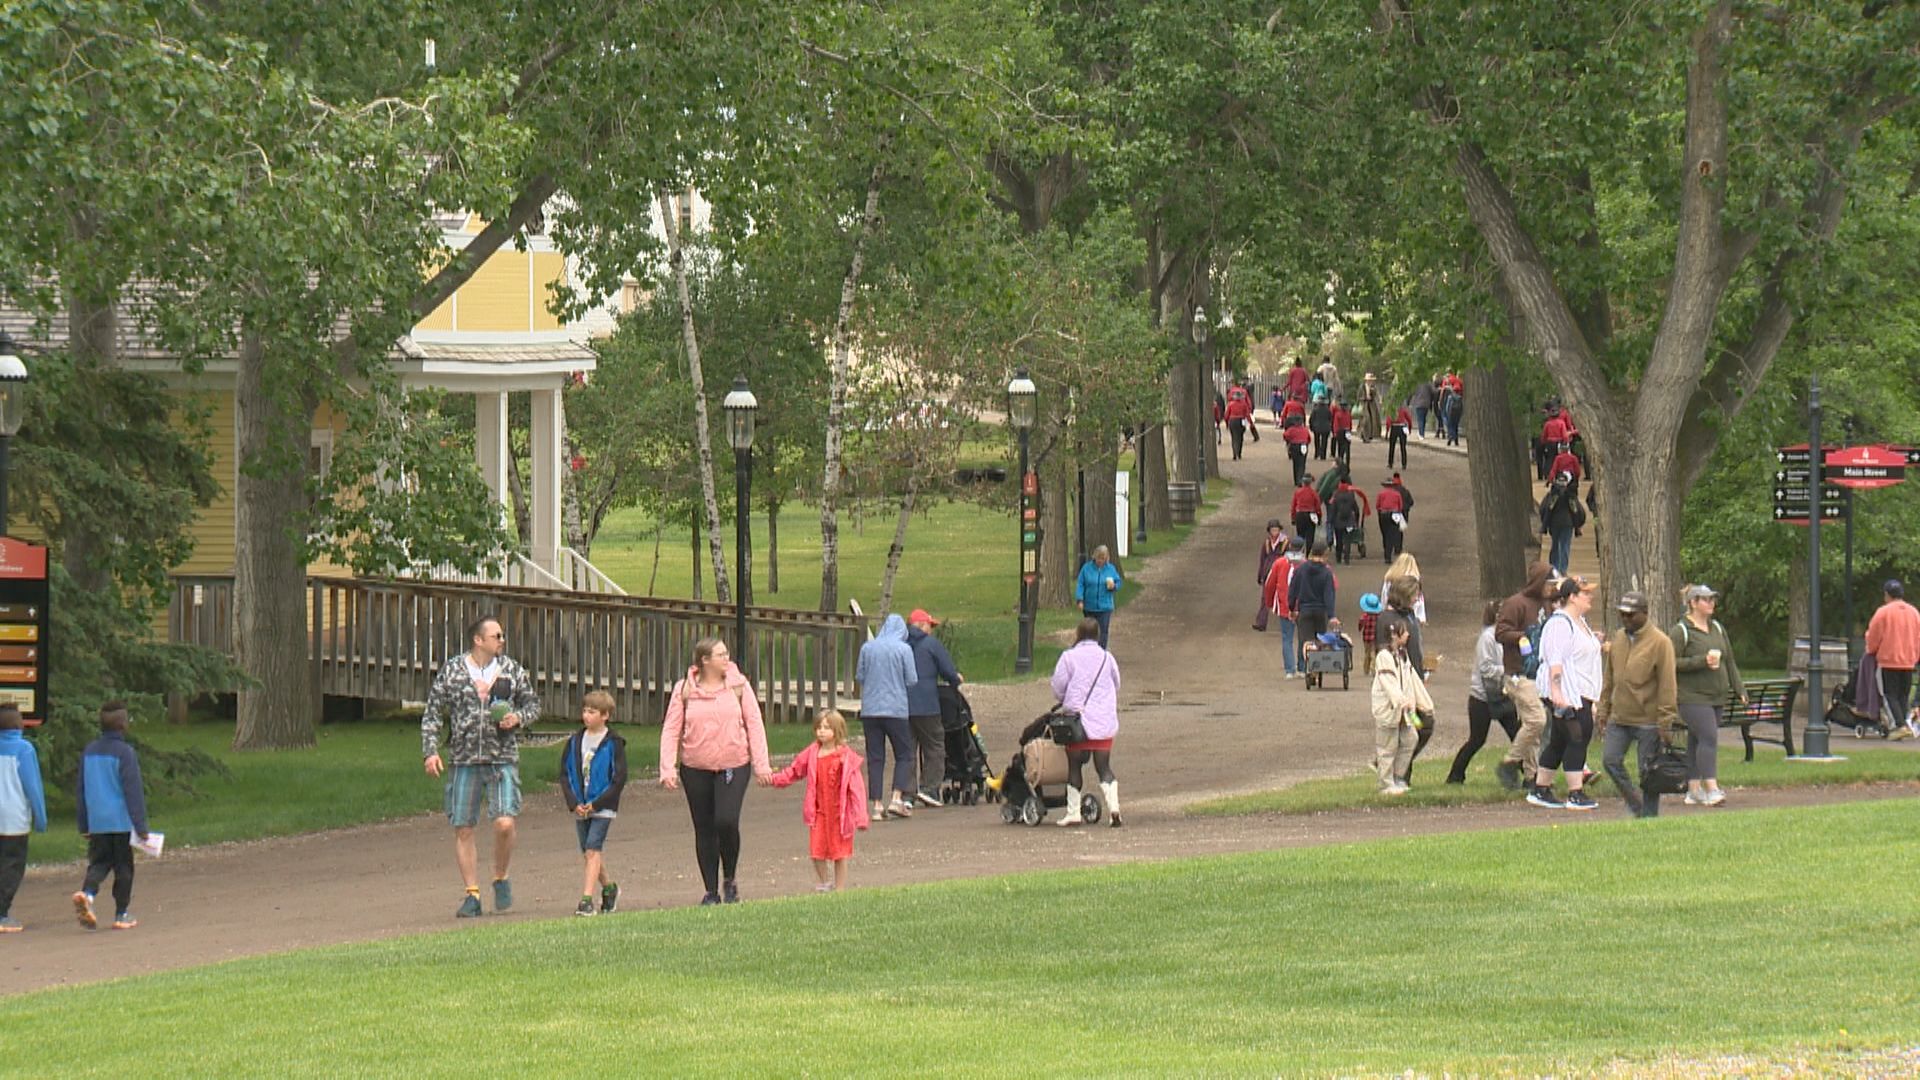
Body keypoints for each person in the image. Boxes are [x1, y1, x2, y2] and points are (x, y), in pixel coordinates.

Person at [421, 614, 541, 918]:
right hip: (463, 760)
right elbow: (433, 712)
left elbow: (533, 705)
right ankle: (472, 895)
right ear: (478, 640)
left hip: (501, 758)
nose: (502, 641)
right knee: (463, 827)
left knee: (504, 823)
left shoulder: (511, 670)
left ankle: (500, 876)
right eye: (496, 636)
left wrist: (518, 718)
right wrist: (430, 751)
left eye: (501, 636)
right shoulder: (453, 671)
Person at [662, 637, 773, 904]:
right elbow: (671, 729)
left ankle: (730, 879)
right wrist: (668, 767)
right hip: (695, 766)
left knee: (726, 820)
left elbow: (754, 724)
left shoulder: (738, 685)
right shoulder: (684, 689)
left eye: (727, 653)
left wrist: (761, 764)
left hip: (733, 764)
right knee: (704, 828)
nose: (727, 658)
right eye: (720, 654)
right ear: (705, 660)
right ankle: (711, 891)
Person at [1596, 591, 1679, 819]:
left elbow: (1667, 685)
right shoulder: (1619, 638)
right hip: (1620, 716)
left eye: (1631, 615)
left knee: (1648, 773)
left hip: (1648, 720)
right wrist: (1604, 708)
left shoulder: (1661, 643)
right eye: (1622, 614)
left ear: (1644, 614)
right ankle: (1636, 804)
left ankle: (1650, 817)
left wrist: (1665, 721)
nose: (1626, 619)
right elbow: (1609, 677)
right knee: (1610, 761)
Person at [769, 710, 870, 892]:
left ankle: (839, 888)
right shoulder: (812, 752)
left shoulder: (846, 758)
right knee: (816, 851)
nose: (822, 731)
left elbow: (857, 790)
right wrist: (775, 779)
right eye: (819, 728)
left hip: (839, 813)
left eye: (827, 728)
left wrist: (861, 816)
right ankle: (825, 882)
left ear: (837, 730)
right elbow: (795, 770)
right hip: (818, 812)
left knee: (840, 853)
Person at [72, 701, 148, 930]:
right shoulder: (125, 753)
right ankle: (121, 913)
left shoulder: (89, 751)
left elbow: (82, 789)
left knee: (99, 863)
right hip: (121, 822)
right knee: (124, 867)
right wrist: (141, 826)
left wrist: (84, 823)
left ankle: (88, 894)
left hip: (97, 822)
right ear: (123, 725)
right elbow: (132, 792)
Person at [1528, 576, 1603, 810]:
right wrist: (1557, 692)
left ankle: (1541, 789)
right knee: (1577, 736)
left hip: (1583, 691)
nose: (1590, 597)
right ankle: (1575, 792)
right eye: (1585, 593)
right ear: (1572, 597)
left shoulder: (1580, 621)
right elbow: (1555, 659)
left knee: (1559, 741)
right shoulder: (1560, 623)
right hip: (1568, 691)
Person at [1672, 584, 1744, 806]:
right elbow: (1671, 663)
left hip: (1716, 695)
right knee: (1709, 737)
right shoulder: (1681, 631)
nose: (1711, 603)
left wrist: (1739, 688)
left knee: (1696, 740)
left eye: (1712, 599)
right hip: (1692, 696)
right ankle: (1711, 787)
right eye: (1705, 599)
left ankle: (1693, 789)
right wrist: (1701, 661)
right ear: (1693, 603)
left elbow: (1729, 660)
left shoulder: (1717, 629)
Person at [1050, 617, 1124, 827]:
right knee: (1104, 767)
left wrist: (1067, 699)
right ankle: (1114, 808)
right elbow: (1116, 682)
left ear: (1078, 635)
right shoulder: (1107, 658)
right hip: (1103, 722)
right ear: (1097, 635)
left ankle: (1073, 812)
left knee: (1074, 765)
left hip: (1078, 723)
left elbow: (1058, 686)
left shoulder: (1069, 658)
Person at [559, 690, 628, 917]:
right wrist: (574, 802)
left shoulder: (613, 743)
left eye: (592, 712)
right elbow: (565, 773)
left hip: (603, 807)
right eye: (585, 711)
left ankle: (586, 900)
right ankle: (609, 888)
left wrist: (598, 803)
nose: (586, 716)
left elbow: (618, 778)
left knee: (592, 849)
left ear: (605, 715)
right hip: (581, 804)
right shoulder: (575, 741)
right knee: (589, 853)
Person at [1493, 562, 1556, 791]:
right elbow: (1500, 632)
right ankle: (1509, 762)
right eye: (1548, 583)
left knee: (1533, 727)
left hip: (1538, 673)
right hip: (1518, 674)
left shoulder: (1547, 605)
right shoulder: (1515, 603)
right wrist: (1525, 636)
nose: (1551, 588)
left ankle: (1532, 776)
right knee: (1538, 720)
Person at [853, 615, 918, 821]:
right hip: (895, 709)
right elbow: (912, 679)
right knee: (904, 753)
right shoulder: (903, 649)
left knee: (875, 757)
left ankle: (876, 805)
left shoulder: (867, 648)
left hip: (870, 709)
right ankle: (896, 797)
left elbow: (860, 676)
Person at [1448, 601, 1521, 783]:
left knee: (1518, 734)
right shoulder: (1488, 638)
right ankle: (1455, 775)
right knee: (1477, 739)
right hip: (1482, 697)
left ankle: (1530, 773)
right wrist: (1508, 670)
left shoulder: (1506, 637)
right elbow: (1486, 668)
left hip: (1502, 693)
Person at [905, 608, 962, 808]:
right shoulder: (931, 645)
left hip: (903, 705)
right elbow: (947, 670)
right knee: (935, 745)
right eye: (930, 625)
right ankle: (930, 788)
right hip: (927, 704)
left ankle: (907, 793)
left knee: (908, 750)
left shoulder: (900, 644)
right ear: (921, 625)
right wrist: (956, 679)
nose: (932, 630)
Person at [1370, 620, 1433, 795]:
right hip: (1389, 709)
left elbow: (1412, 680)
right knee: (1387, 747)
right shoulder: (1384, 656)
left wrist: (1424, 703)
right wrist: (1400, 700)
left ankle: (1398, 777)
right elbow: (1388, 682)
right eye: (1404, 632)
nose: (1408, 635)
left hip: (1404, 711)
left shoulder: (1402, 655)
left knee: (1411, 738)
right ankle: (1385, 783)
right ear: (1394, 634)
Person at [0, 704, 48, 932]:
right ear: (18, 724)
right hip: (14, 819)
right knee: (12, 867)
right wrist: (40, 817)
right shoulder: (24, 749)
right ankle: (2, 913)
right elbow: (33, 787)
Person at [1865, 579, 1920, 729]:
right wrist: (1915, 655)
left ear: (1887, 595)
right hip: (1909, 661)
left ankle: (1900, 725)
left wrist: (1871, 649)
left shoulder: (1883, 612)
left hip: (1889, 660)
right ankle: (1904, 725)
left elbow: (1873, 636)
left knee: (1890, 695)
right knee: (1903, 695)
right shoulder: (1914, 612)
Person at [1288, 542, 1337, 675]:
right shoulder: (1327, 573)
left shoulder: (1300, 570)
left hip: (1305, 610)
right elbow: (1329, 595)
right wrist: (1332, 615)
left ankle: (1308, 668)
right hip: (1321, 612)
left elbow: (1293, 590)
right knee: (1320, 641)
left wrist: (1292, 608)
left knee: (1306, 641)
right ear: (1324, 554)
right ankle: (1317, 667)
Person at [1264, 539, 1306, 679]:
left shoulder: (1279, 563)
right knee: (1303, 638)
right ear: (1303, 548)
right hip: (1303, 606)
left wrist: (1269, 602)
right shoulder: (1306, 564)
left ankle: (1289, 670)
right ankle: (1302, 667)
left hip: (1284, 605)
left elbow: (1269, 584)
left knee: (1287, 638)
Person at [1074, 546, 1123, 649]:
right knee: (1089, 630)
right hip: (1089, 606)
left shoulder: (1110, 569)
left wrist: (1114, 586)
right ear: (1094, 557)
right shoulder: (1086, 568)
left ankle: (1101, 651)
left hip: (1105, 607)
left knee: (1103, 631)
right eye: (1099, 558)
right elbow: (1080, 584)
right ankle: (1088, 650)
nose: (1100, 561)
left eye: (1103, 559)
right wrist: (1080, 599)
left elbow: (1118, 582)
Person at [1539, 472, 1581, 577]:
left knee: (1556, 545)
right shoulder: (1570, 495)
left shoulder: (1553, 494)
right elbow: (1575, 510)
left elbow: (1547, 508)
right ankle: (1562, 569)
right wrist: (1577, 525)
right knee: (1564, 546)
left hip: (1555, 524)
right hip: (1567, 524)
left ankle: (1554, 568)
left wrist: (1545, 524)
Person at [1253, 520, 1289, 632]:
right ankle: (1261, 623)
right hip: (1268, 572)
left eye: (1276, 530)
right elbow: (1262, 559)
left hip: (1281, 573)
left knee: (1284, 597)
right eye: (1272, 530)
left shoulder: (1285, 543)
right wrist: (1260, 574)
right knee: (1265, 598)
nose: (1275, 532)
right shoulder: (1267, 543)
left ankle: (1287, 622)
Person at [1329, 477, 1365, 565]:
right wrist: (1356, 520)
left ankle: (1338, 558)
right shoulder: (1351, 495)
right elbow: (1356, 509)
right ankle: (1347, 559)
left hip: (1338, 521)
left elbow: (1333, 509)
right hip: (1349, 521)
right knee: (1347, 541)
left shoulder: (1336, 495)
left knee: (1339, 540)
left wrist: (1331, 520)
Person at [1375, 477, 1407, 564]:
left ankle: (1386, 551)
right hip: (1394, 514)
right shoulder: (1397, 494)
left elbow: (1377, 505)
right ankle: (1388, 555)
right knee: (1391, 534)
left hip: (1383, 514)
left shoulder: (1381, 494)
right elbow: (1400, 506)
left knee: (1384, 533)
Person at [1290, 475, 1322, 547]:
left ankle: (1300, 550)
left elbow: (1293, 506)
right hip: (1311, 514)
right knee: (1310, 536)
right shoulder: (1313, 493)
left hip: (1300, 515)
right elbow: (1317, 506)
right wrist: (1319, 517)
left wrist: (1293, 518)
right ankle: (1308, 552)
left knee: (1300, 535)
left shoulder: (1298, 492)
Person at [1224, 383, 1253, 460]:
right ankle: (1239, 453)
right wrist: (1250, 423)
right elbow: (1247, 414)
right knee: (1240, 438)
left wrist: (1227, 423)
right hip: (1241, 420)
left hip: (1232, 420)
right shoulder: (1243, 404)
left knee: (1234, 438)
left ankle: (1234, 453)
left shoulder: (1230, 404)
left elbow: (1226, 415)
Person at [1283, 417, 1312, 486]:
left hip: (1294, 445)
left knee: (1295, 463)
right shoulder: (1305, 429)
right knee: (1302, 463)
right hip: (1303, 445)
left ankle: (1296, 480)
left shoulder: (1291, 429)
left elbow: (1285, 435)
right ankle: (1301, 478)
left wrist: (1290, 440)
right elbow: (1309, 438)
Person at [1386, 402, 1412, 469]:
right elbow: (1409, 419)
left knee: (1392, 446)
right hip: (1402, 427)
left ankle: (1390, 463)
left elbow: (1388, 420)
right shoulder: (1403, 409)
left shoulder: (1392, 411)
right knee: (1403, 447)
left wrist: (1387, 430)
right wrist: (1409, 428)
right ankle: (1404, 464)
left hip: (1394, 427)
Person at [1359, 372, 1382, 443]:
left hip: (1372, 404)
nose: (1370, 381)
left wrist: (1379, 399)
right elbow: (1359, 395)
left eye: (1371, 380)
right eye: (1369, 380)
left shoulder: (1373, 387)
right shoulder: (1362, 386)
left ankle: (1371, 435)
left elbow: (1377, 394)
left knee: (1374, 418)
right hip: (1365, 403)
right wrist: (1364, 398)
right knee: (1366, 419)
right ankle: (1364, 435)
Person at [1330, 399, 1354, 466]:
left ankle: (1342, 463)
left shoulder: (1339, 414)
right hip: (1346, 431)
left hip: (1342, 431)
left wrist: (1335, 432)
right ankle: (1344, 463)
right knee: (1346, 448)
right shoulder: (1347, 414)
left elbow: (1336, 424)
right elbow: (1349, 424)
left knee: (1342, 449)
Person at [1441, 381, 1464, 446]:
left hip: (1451, 413)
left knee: (1450, 426)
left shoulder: (1450, 397)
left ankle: (1450, 437)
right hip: (1457, 414)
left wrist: (1447, 413)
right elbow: (1462, 407)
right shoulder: (1460, 398)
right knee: (1456, 426)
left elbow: (1447, 407)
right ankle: (1456, 440)